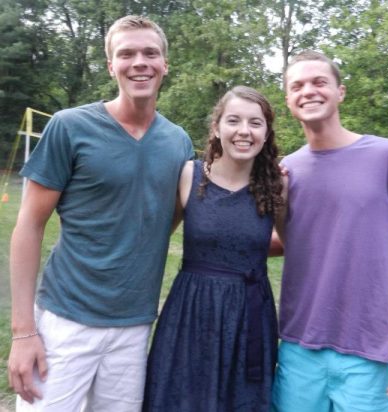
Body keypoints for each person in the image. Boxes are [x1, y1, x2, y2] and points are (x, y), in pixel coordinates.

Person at [7, 15, 193, 411]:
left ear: (165, 64)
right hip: (65, 320)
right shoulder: (69, 127)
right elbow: (29, 226)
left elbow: (169, 217)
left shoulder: (178, 142)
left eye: (150, 53)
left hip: (134, 326)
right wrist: (23, 332)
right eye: (126, 54)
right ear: (111, 66)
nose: (139, 62)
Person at [271, 50, 388, 411]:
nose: (308, 91)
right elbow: (296, 240)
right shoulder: (286, 171)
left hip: (367, 351)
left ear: (340, 92)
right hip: (298, 347)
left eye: (319, 82)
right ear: (288, 100)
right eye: (297, 86)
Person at [142, 85, 288, 411]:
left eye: (255, 123)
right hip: (192, 312)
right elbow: (153, 238)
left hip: (250, 316)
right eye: (233, 120)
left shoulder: (278, 185)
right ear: (217, 127)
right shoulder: (189, 175)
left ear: (266, 133)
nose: (244, 131)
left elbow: (295, 246)